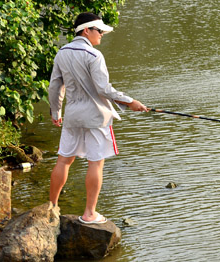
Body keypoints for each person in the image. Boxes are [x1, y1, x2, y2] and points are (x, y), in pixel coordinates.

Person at [48, 12, 148, 225]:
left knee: (64, 160)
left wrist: (56, 112)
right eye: (99, 31)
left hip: (72, 115)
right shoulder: (94, 56)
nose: (101, 35)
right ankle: (89, 214)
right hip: (96, 117)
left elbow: (55, 86)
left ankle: (52, 207)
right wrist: (130, 102)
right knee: (96, 163)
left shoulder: (61, 53)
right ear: (86, 30)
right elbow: (104, 89)